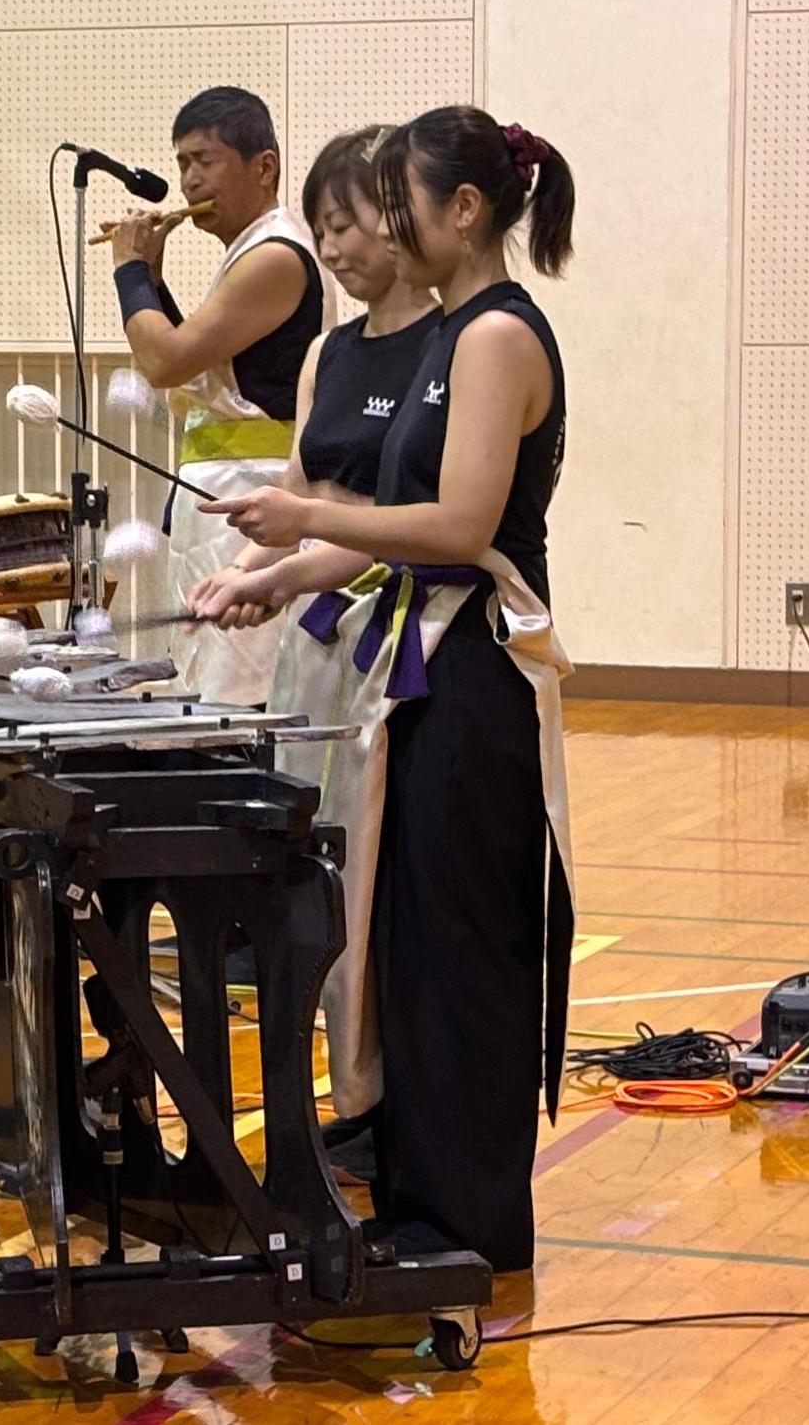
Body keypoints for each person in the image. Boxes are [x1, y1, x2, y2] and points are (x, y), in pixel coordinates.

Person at [201, 106, 577, 1273]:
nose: (379, 220)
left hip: (472, 677)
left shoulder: (498, 338)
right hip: (415, 666)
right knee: (402, 940)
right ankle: (413, 1199)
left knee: (460, 946)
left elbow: (458, 526)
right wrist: (279, 576)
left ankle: (467, 1222)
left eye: (394, 197)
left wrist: (305, 514)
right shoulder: (443, 336)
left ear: (459, 212)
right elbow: (385, 537)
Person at [185, 126, 441, 1181]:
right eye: (324, 225)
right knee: (313, 881)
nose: (332, 246)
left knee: (382, 885)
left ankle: (391, 1099)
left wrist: (296, 553)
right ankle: (340, 1096)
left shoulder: (449, 347)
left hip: (405, 648)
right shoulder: (332, 352)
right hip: (317, 645)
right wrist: (258, 570)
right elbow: (301, 501)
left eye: (351, 223)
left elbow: (394, 515)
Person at [108, 85, 330, 706]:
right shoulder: (249, 251)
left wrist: (129, 273)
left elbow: (163, 360)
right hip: (227, 488)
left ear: (265, 166)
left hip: (251, 490)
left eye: (205, 160)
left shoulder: (275, 254)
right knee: (212, 676)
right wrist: (151, 276)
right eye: (181, 163)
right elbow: (194, 363)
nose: (189, 181)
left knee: (238, 692)